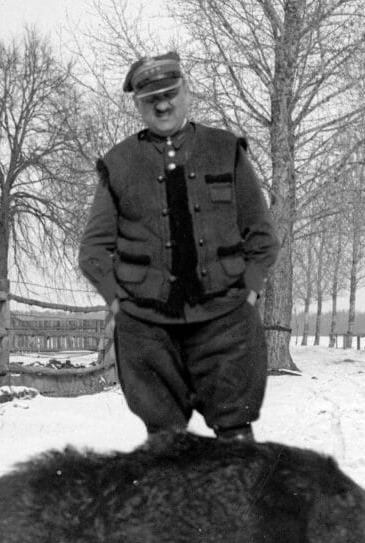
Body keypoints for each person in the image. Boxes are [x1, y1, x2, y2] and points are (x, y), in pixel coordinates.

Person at [79, 52, 279, 441]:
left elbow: (262, 236)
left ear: (186, 92)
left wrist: (250, 291)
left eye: (170, 94)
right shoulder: (118, 164)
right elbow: (93, 251)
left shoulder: (225, 150)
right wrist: (118, 303)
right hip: (149, 330)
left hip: (226, 322)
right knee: (164, 445)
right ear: (138, 105)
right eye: (151, 100)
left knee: (236, 439)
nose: (163, 105)